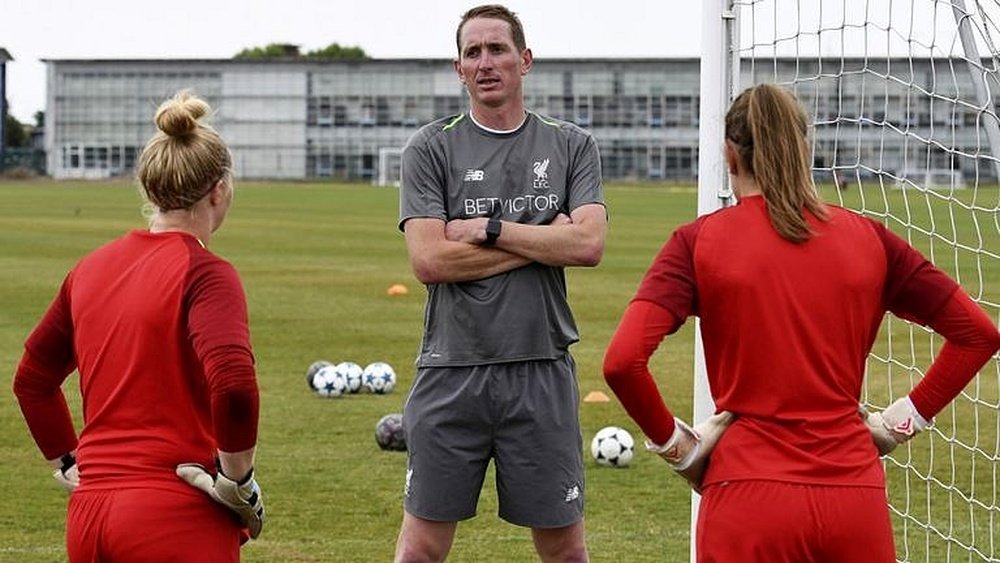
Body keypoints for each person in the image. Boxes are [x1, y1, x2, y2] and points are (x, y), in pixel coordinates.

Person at [602, 83, 1000, 562]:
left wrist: (681, 450)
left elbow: (623, 363)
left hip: (747, 493)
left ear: (730, 155)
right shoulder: (870, 238)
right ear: (805, 148)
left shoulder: (697, 241)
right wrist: (897, 424)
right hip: (854, 496)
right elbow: (978, 335)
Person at [13, 90, 265, 563]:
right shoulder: (207, 271)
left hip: (90, 517)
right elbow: (233, 384)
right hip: (174, 513)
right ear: (219, 189)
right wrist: (238, 481)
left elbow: (32, 380)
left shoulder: (89, 268)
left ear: (149, 191)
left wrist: (68, 462)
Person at [394, 4, 607, 562]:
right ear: (458, 69)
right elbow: (430, 262)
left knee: (564, 550)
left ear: (525, 60)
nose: (486, 62)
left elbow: (587, 245)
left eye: (497, 49)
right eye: (473, 53)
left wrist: (491, 230)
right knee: (421, 547)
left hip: (540, 368)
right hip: (450, 370)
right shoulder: (429, 147)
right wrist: (539, 242)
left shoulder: (571, 145)